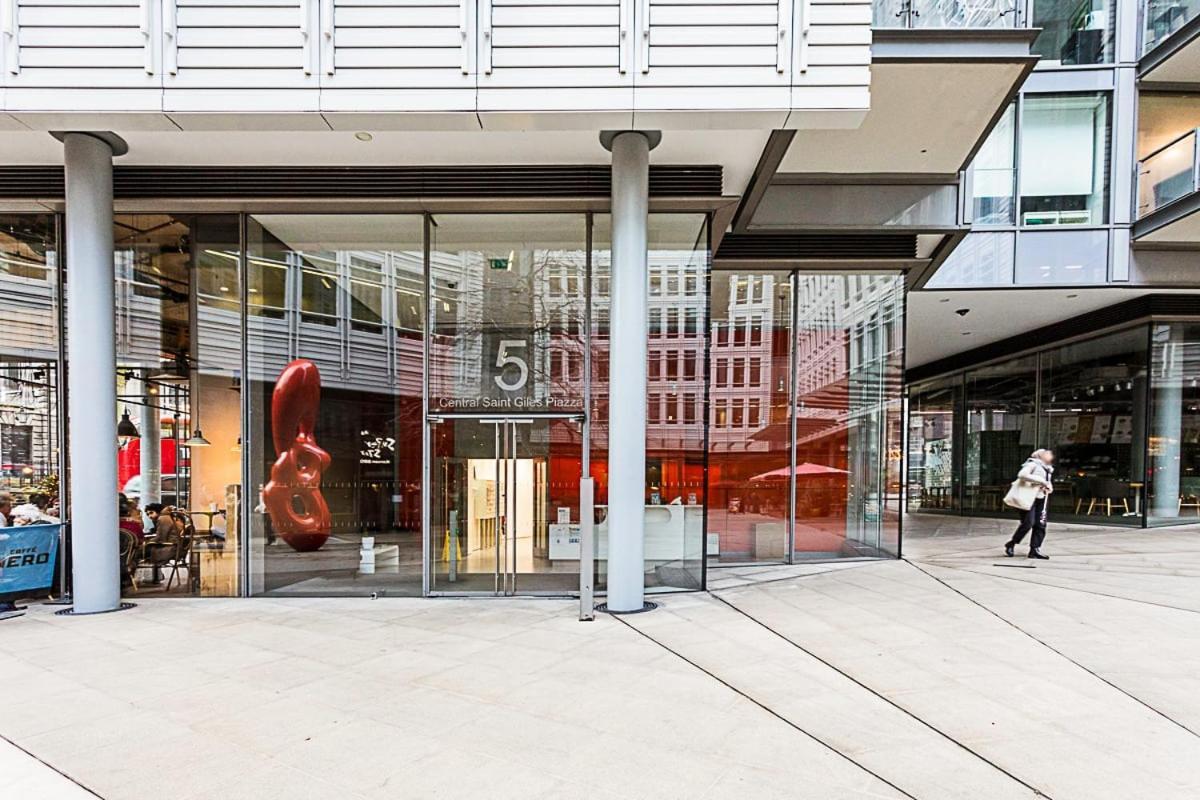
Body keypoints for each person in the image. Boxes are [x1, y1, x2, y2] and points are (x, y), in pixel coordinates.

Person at [1006, 449, 1055, 560]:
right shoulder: (1032, 464)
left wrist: (1049, 487)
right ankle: (1012, 543)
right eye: (1047, 454)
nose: (1050, 456)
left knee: (1040, 524)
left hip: (1041, 498)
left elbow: (1048, 482)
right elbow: (1022, 475)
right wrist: (1041, 481)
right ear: (1040, 456)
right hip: (1028, 498)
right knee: (1028, 523)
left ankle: (1035, 549)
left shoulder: (1048, 469)